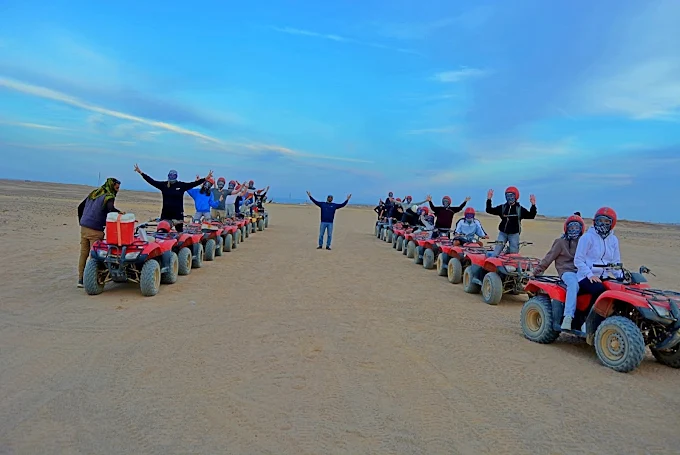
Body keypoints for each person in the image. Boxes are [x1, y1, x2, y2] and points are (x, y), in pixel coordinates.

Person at [532, 213, 585, 330]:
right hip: (566, 271)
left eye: (577, 227)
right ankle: (568, 317)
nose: (574, 230)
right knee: (573, 285)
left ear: (581, 229)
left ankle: (585, 321)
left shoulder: (583, 242)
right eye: (571, 227)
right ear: (566, 228)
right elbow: (549, 257)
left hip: (581, 271)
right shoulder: (560, 242)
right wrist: (537, 271)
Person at [574, 207, 622, 319]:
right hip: (585, 276)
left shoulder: (613, 240)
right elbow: (578, 260)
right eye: (600, 220)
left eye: (606, 221)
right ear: (595, 221)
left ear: (612, 223)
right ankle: (587, 320)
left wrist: (621, 276)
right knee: (600, 291)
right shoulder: (587, 237)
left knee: (618, 290)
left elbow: (615, 263)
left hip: (603, 276)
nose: (602, 224)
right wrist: (590, 275)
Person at [134, 164, 212, 232]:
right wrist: (141, 173)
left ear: (176, 176)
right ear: (168, 176)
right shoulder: (163, 185)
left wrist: (205, 178)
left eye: (173, 176)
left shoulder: (181, 185)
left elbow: (193, 184)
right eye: (170, 175)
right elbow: (152, 181)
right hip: (166, 215)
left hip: (178, 215)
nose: (172, 177)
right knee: (162, 233)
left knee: (179, 233)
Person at [76, 177, 123, 288]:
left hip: (84, 228)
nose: (117, 190)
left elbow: (80, 207)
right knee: (95, 256)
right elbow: (110, 209)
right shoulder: (109, 196)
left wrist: (82, 221)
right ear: (112, 186)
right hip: (95, 230)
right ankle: (92, 280)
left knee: (83, 253)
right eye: (117, 188)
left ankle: (80, 279)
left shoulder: (94, 193)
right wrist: (121, 213)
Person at [486, 186, 537, 256]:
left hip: (514, 234)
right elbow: (489, 210)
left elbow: (531, 215)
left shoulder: (519, 209)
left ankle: (509, 256)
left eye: (511, 196)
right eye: (507, 196)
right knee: (496, 253)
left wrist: (533, 205)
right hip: (502, 234)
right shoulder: (502, 208)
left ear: (516, 196)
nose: (509, 198)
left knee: (513, 255)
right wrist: (489, 199)